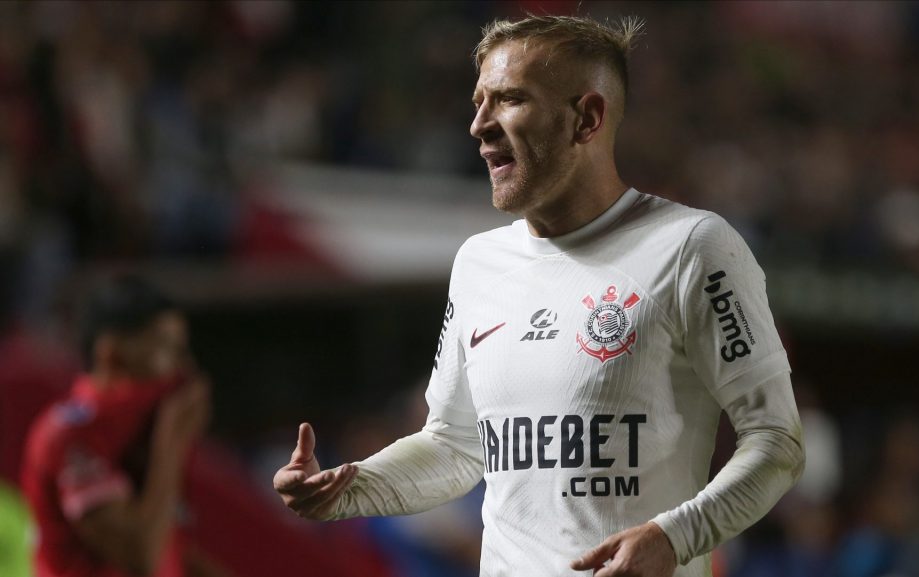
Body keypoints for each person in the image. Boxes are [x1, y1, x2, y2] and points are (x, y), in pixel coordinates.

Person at [274, 14, 805, 577]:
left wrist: (675, 537)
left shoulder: (693, 247)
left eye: (509, 100)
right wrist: (348, 489)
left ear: (587, 118)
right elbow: (455, 447)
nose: (479, 125)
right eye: (478, 102)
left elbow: (776, 440)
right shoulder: (479, 264)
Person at [21, 276, 225, 577]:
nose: (185, 369)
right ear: (111, 354)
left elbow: (166, 547)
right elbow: (138, 553)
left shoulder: (136, 429)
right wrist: (172, 440)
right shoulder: (70, 434)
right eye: (168, 351)